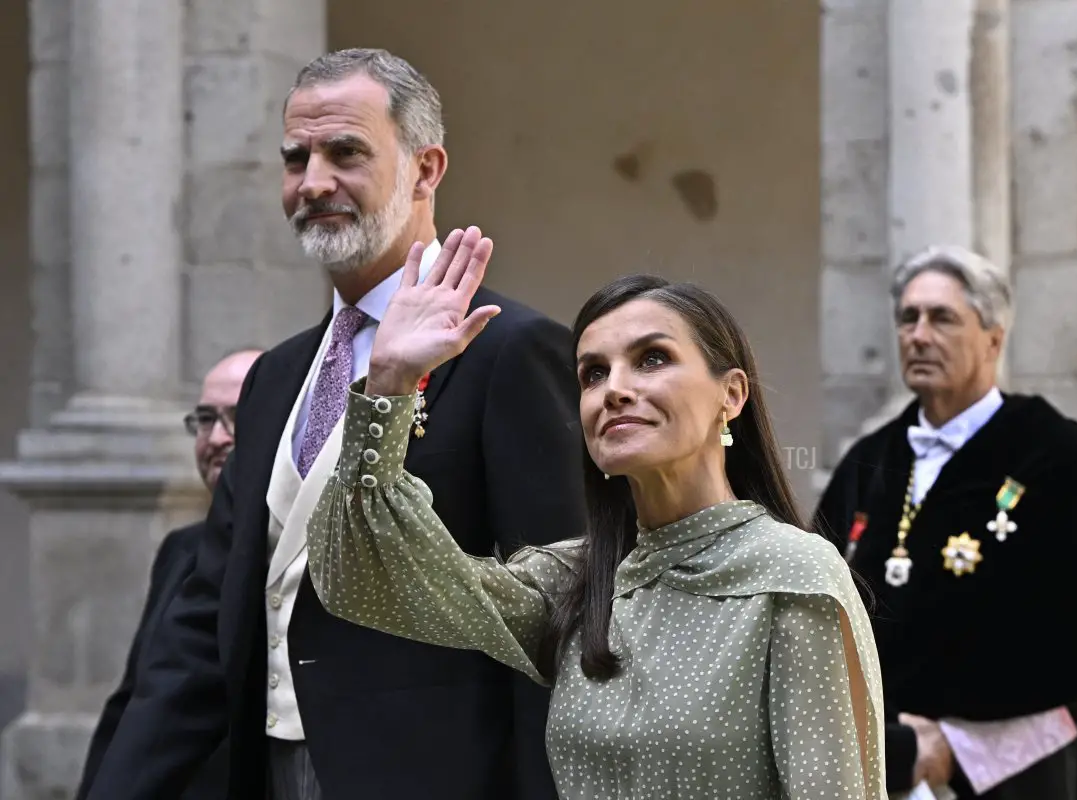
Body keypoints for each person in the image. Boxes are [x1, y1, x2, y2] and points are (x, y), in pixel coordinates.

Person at [84, 49, 583, 800]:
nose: (313, 182)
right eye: (296, 158)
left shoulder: (509, 352)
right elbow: (204, 617)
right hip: (272, 769)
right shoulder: (275, 377)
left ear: (425, 169)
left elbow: (554, 617)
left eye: (345, 152)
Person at [304, 233, 889, 799]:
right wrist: (389, 383)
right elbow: (361, 576)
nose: (615, 389)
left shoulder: (794, 575)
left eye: (652, 359)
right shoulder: (574, 582)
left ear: (731, 395)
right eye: (593, 373)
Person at [813, 245, 1077, 799]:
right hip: (884, 759)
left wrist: (958, 746)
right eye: (908, 318)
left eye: (942, 318)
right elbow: (820, 606)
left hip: (1013, 767)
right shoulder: (872, 457)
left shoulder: (1049, 451)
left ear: (993, 338)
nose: (919, 334)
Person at [75, 349, 261, 800]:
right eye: (204, 419)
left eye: (237, 417)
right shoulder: (181, 550)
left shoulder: (299, 546)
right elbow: (137, 698)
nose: (217, 437)